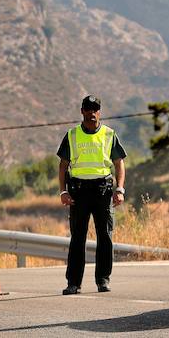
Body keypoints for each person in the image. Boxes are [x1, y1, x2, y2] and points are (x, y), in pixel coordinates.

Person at [57, 95, 126, 295]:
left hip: (103, 190)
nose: (91, 113)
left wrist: (120, 189)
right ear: (82, 111)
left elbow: (119, 162)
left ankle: (103, 280)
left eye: (95, 109)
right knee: (78, 237)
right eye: (88, 109)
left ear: (99, 112)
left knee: (105, 236)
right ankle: (73, 283)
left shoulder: (108, 134)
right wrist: (63, 191)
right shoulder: (72, 135)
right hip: (78, 192)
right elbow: (63, 165)